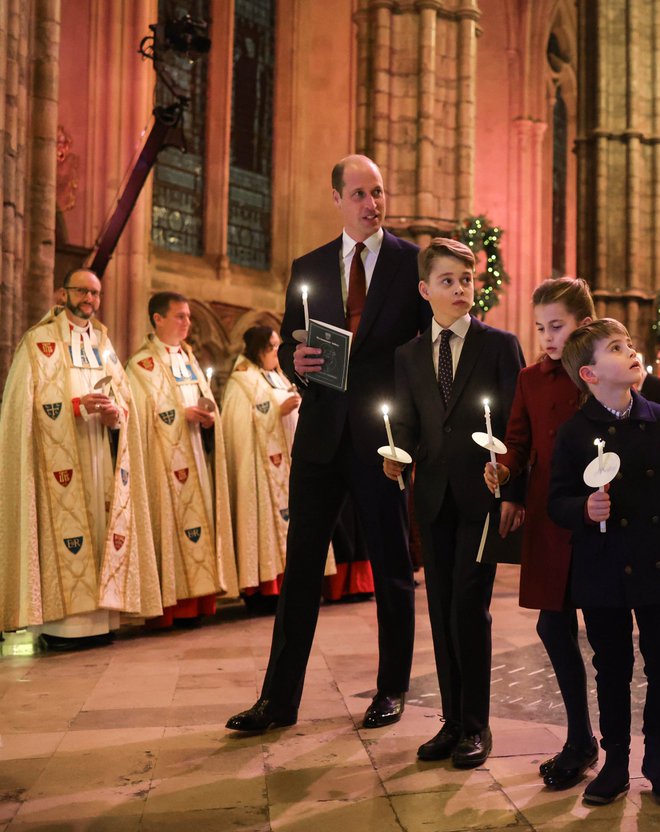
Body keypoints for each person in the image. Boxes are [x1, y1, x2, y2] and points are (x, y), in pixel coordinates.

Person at [226, 154, 430, 734]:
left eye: (379, 192)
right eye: (360, 193)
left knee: (392, 568)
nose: (373, 203)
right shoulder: (309, 266)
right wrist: (298, 361)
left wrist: (413, 429)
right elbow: (294, 347)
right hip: (319, 438)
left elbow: (424, 345)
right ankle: (278, 699)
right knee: (301, 570)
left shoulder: (408, 262)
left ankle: (390, 689)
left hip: (382, 438)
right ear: (337, 198)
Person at [548, 318, 660, 808]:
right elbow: (556, 499)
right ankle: (617, 760)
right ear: (588, 374)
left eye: (629, 344)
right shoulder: (574, 432)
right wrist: (584, 508)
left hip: (658, 564)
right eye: (616, 348)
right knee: (612, 666)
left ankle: (659, 756)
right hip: (602, 566)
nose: (631, 352)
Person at [384, 237, 524, 769]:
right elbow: (409, 424)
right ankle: (450, 720)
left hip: (482, 495)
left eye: (466, 280)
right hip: (434, 497)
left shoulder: (498, 345)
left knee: (469, 606)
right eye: (448, 281)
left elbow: (517, 424)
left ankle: (476, 724)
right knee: (441, 610)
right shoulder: (410, 355)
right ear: (426, 290)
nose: (460, 289)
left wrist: (510, 481)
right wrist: (395, 455)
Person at [0, 269, 161, 647]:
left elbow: (125, 404)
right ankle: (62, 629)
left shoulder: (104, 346)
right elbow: (22, 409)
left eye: (96, 293)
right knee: (67, 535)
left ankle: (99, 622)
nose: (90, 298)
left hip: (98, 455)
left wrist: (114, 416)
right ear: (63, 293)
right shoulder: (39, 342)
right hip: (57, 461)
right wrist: (74, 406)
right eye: (82, 291)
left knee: (101, 528)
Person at [482, 277, 599, 790]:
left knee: (605, 631)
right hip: (550, 517)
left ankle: (611, 746)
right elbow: (517, 442)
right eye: (541, 328)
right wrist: (504, 476)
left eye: (558, 326)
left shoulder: (600, 373)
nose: (548, 337)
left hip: (597, 518)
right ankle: (580, 737)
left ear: (583, 325)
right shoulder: (530, 379)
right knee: (553, 626)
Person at [128, 291, 236, 628]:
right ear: (157, 319)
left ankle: (199, 601)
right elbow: (140, 418)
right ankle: (171, 609)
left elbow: (206, 401)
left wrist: (208, 418)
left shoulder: (189, 360)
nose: (188, 322)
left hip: (196, 458)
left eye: (189, 316)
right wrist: (179, 415)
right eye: (180, 316)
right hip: (164, 466)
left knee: (199, 527)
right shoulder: (140, 365)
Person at [221, 326, 335, 613]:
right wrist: (276, 412)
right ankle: (262, 591)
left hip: (287, 463)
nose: (276, 351)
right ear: (258, 349)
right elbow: (237, 422)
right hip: (260, 471)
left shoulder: (278, 376)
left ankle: (291, 584)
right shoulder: (242, 380)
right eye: (272, 347)